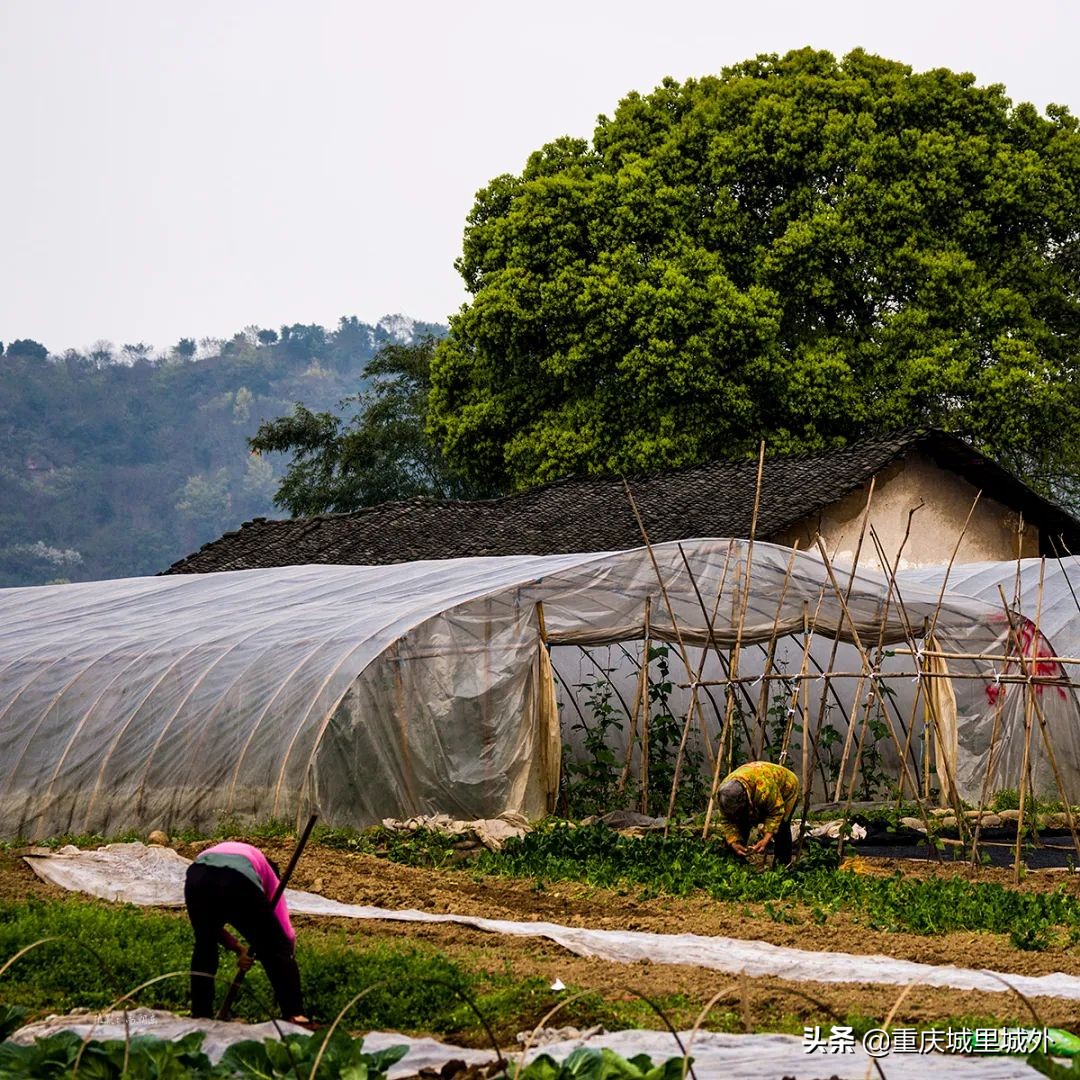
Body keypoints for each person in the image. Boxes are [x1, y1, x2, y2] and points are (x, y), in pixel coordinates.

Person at [184, 840, 309, 1023]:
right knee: (275, 948)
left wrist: (239, 948)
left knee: (205, 943)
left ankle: (200, 1013)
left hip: (196, 875)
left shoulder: (243, 854)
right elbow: (285, 935)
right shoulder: (269, 875)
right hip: (236, 879)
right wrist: (287, 959)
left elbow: (213, 928)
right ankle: (296, 1016)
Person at [714, 761, 800, 865]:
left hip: (787, 787)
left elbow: (776, 812)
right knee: (741, 821)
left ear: (745, 798)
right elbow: (726, 820)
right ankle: (738, 859)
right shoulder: (723, 795)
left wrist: (766, 839)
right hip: (758, 783)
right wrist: (733, 842)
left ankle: (782, 863)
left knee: (782, 827)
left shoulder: (764, 788)